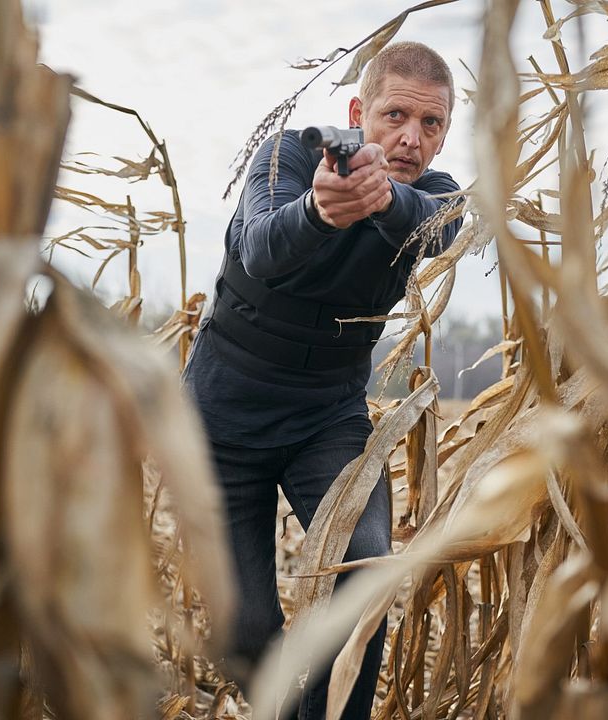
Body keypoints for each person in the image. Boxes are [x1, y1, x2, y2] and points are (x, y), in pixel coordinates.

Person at [182, 41, 462, 720]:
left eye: (431, 125)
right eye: (395, 116)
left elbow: (432, 227)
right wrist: (317, 211)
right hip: (223, 418)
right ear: (358, 112)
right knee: (247, 637)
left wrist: (379, 195)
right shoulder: (287, 155)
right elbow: (260, 246)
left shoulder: (438, 196)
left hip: (327, 421)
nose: (411, 138)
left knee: (363, 575)